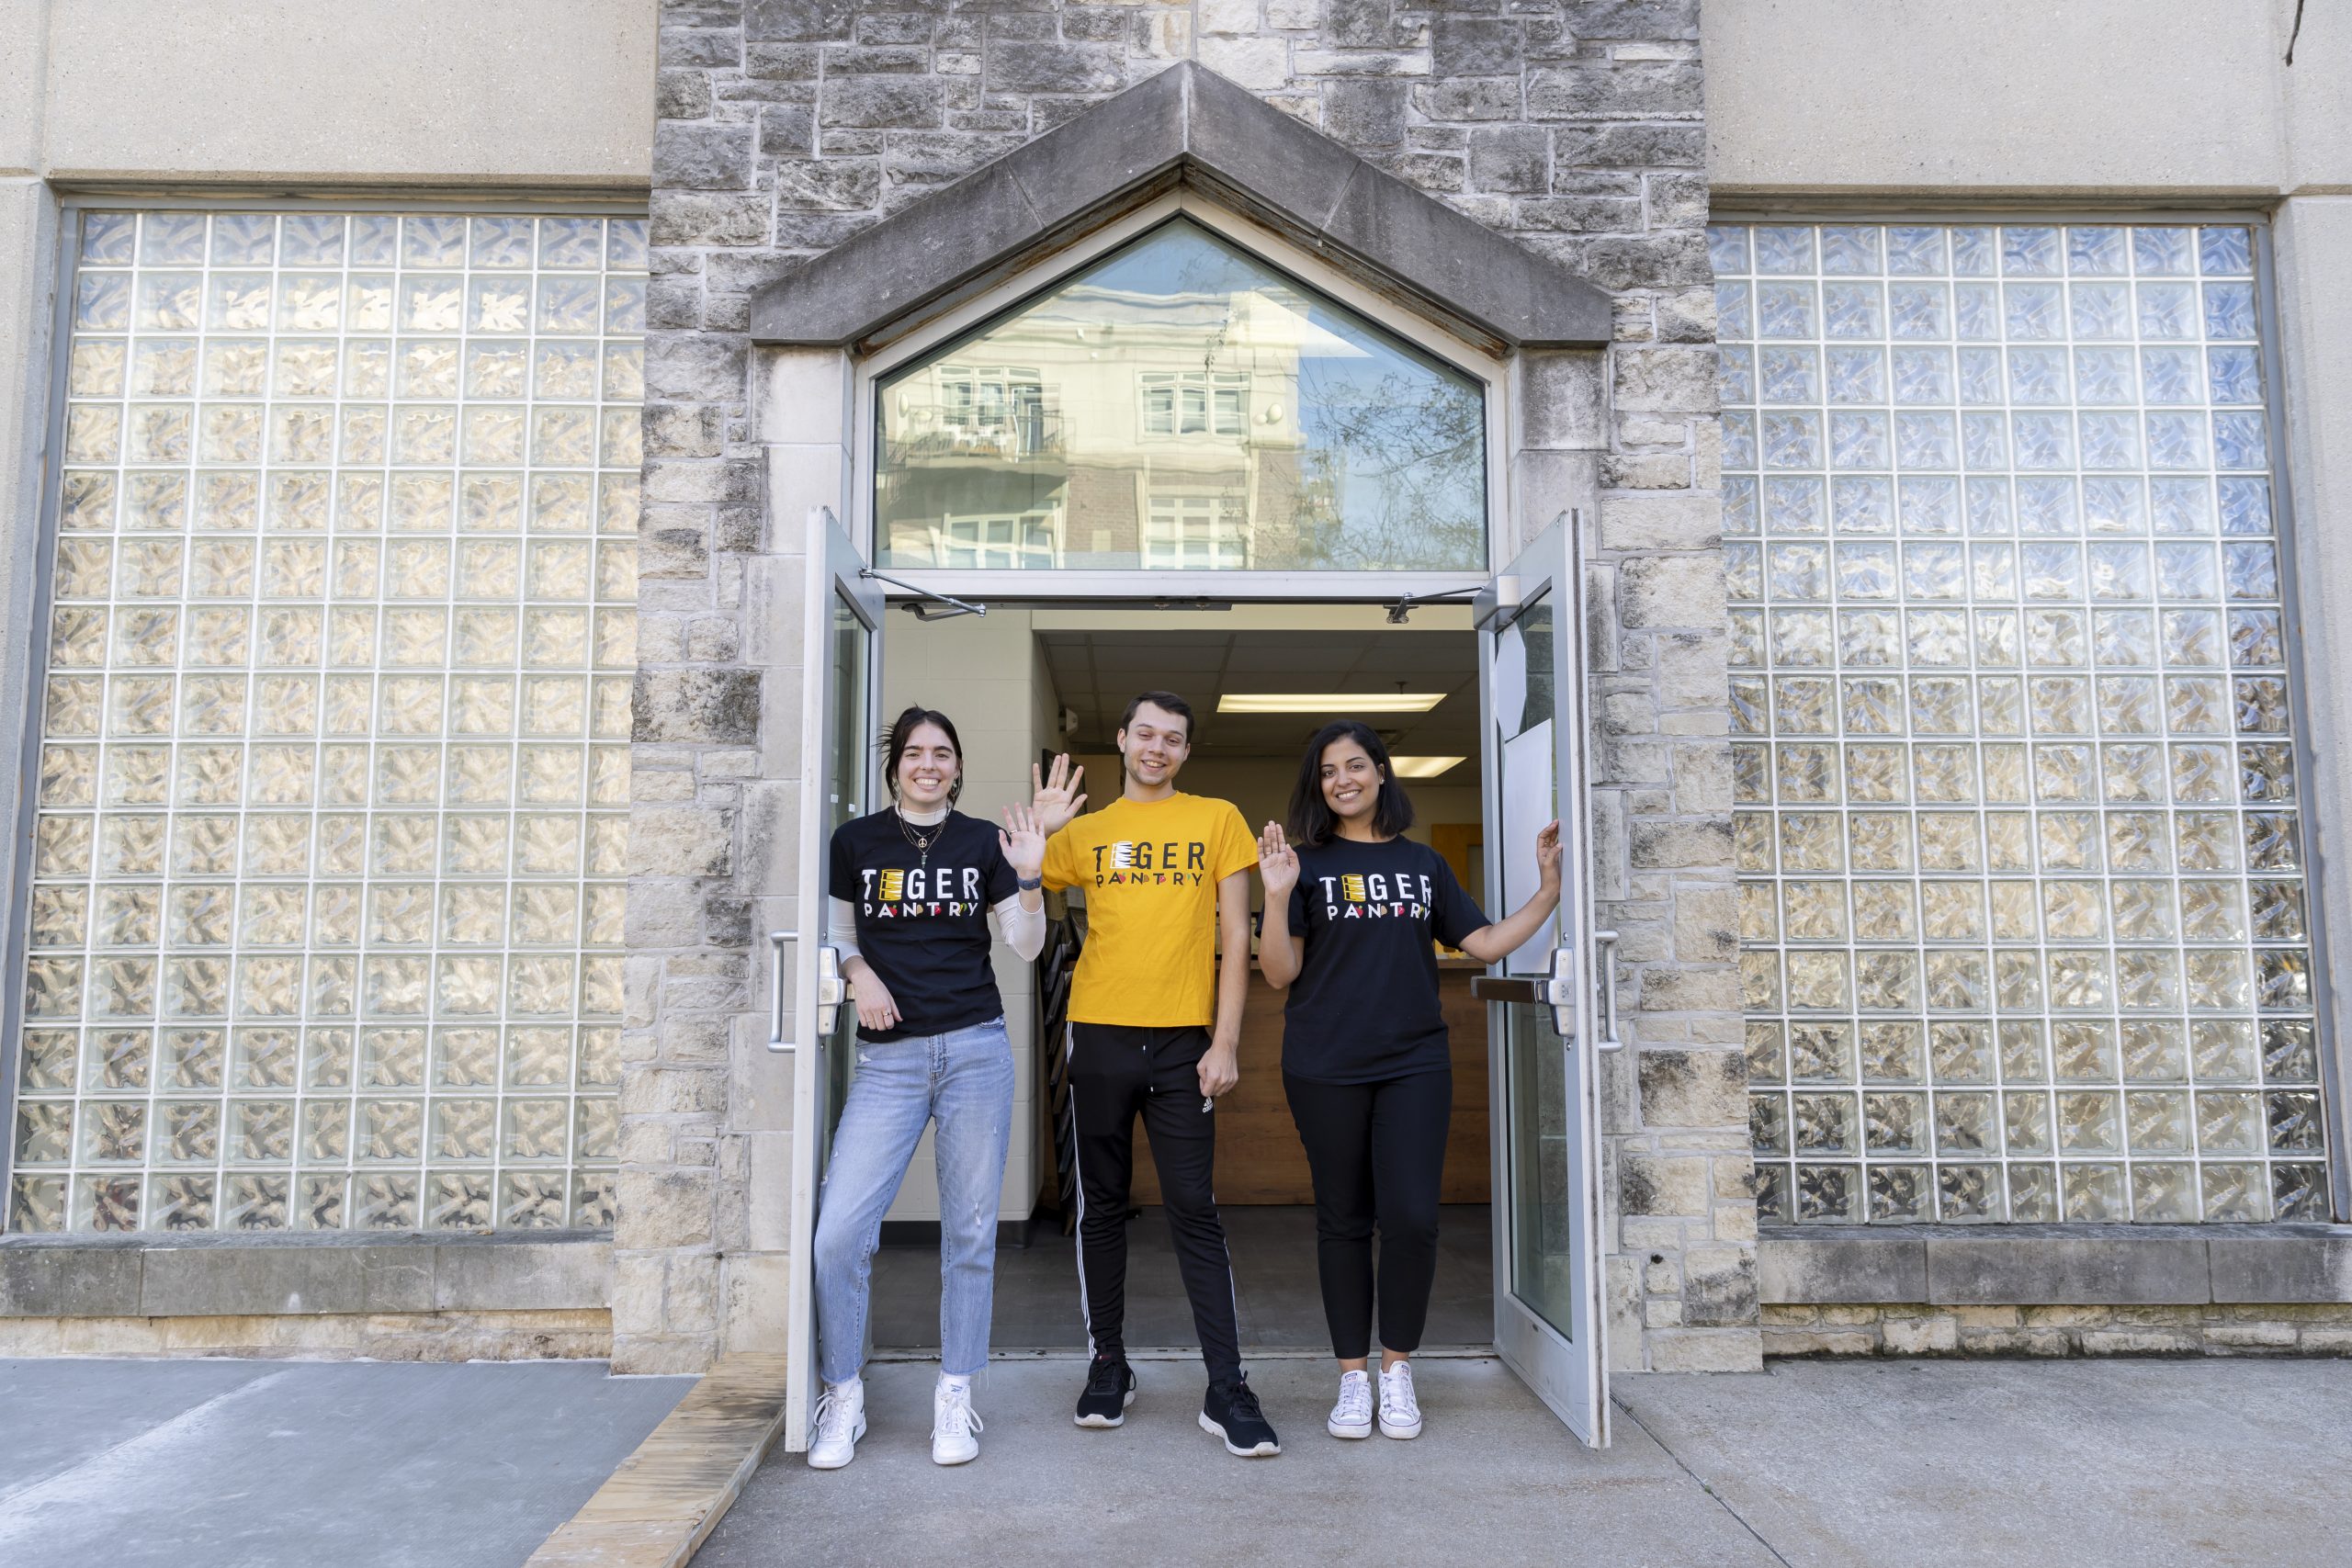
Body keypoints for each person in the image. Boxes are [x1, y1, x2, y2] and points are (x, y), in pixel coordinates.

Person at [1257, 719, 1562, 1443]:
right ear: (1318, 785)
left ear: (1382, 773)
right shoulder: (1303, 865)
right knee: (1342, 1218)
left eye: (1355, 765)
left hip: (1413, 1063)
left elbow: (1482, 942)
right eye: (1328, 771)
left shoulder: (1422, 864)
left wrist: (1548, 892)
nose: (1342, 780)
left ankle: (1396, 1368)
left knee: (1413, 1218)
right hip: (1323, 1063)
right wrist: (1274, 895)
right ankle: (1352, 1378)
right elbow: (1278, 973)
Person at [1032, 690, 1281, 1458]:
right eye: (1146, 733)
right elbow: (1022, 913)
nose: (1157, 747)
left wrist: (1226, 1041)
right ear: (1122, 739)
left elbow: (1236, 934)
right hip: (1099, 1036)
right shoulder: (1087, 833)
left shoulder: (1216, 820)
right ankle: (1109, 1362)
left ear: (1185, 752)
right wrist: (1042, 834)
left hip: (1182, 1044)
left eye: (1173, 738)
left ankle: (1225, 1384)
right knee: (1100, 1206)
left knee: (1193, 1210)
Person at [806, 705, 1049, 1471]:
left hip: (977, 1049)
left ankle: (955, 1394)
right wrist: (859, 974)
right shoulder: (856, 842)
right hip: (890, 1058)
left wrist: (1033, 875)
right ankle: (842, 1394)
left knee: (971, 1234)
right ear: (895, 765)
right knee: (839, 1231)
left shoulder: (985, 843)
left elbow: (1026, 943)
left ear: (957, 766)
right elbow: (840, 936)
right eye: (915, 752)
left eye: (942, 753)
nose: (928, 764)